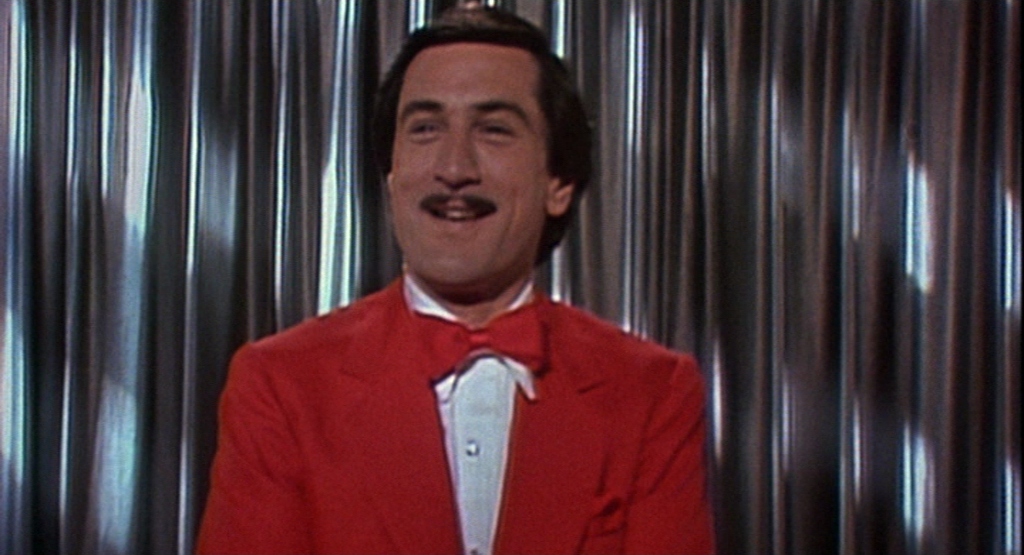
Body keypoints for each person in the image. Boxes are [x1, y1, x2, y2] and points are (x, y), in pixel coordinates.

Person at [196, 4, 715, 554]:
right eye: (425, 129)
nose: (454, 169)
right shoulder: (280, 385)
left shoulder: (653, 394)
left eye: (494, 131)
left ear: (558, 182)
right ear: (391, 175)